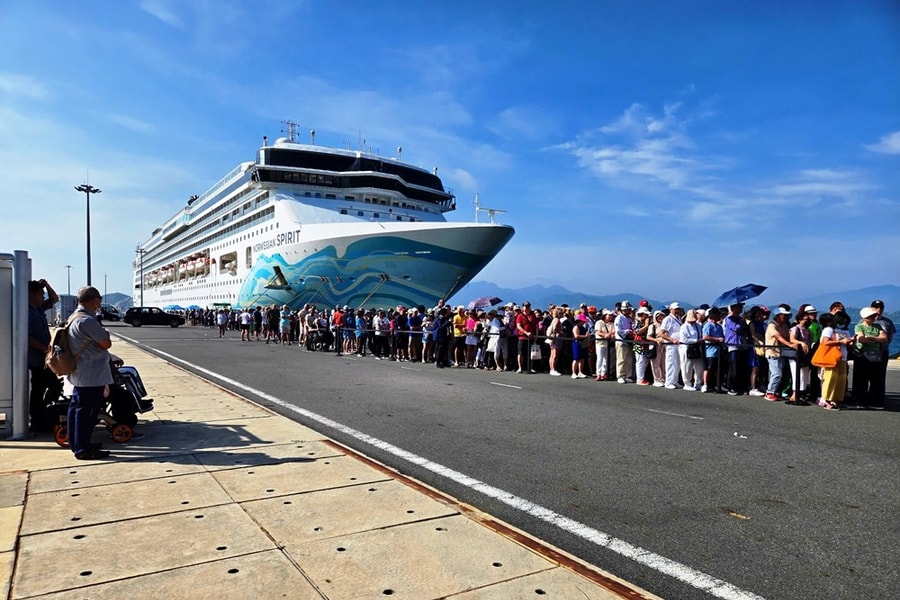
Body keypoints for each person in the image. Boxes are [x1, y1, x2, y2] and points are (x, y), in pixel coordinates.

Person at [66, 286, 113, 460]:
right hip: (91, 373)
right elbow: (106, 343)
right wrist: (105, 335)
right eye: (99, 299)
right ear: (94, 300)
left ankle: (77, 443)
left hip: (81, 372)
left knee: (76, 409)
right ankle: (82, 449)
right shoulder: (87, 321)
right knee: (86, 412)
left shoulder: (74, 317)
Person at [27, 279, 61, 432]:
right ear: (31, 295)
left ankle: (42, 417)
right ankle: (41, 418)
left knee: (42, 389)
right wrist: (46, 349)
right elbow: (28, 338)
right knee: (44, 388)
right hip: (36, 359)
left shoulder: (38, 309)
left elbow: (54, 299)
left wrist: (46, 285)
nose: (43, 297)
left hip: (44, 359)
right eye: (41, 294)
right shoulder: (28, 313)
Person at [852, 306, 887, 408]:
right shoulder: (859, 326)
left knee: (876, 380)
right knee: (861, 379)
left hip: (876, 355)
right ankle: (860, 401)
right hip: (863, 355)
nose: (873, 318)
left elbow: (884, 338)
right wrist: (876, 339)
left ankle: (875, 401)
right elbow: (861, 339)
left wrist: (871, 338)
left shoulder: (878, 326)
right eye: (871, 316)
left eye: (874, 316)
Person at [818, 312, 853, 410]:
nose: (843, 324)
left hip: (843, 357)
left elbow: (847, 344)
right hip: (832, 357)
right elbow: (825, 342)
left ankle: (836, 399)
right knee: (830, 378)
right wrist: (840, 341)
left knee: (841, 380)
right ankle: (827, 399)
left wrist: (851, 341)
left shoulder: (845, 331)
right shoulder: (829, 330)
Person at [764, 306, 800, 401]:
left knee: (779, 373)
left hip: (781, 352)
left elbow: (787, 336)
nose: (785, 317)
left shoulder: (784, 326)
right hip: (772, 352)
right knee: (776, 373)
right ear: (778, 316)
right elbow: (778, 336)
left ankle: (775, 391)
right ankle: (769, 392)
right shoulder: (772, 325)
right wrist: (790, 345)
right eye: (784, 315)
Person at [869, 299, 895, 407]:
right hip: (868, 353)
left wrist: (884, 345)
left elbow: (890, 337)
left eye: (881, 307)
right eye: (876, 307)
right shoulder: (866, 321)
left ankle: (878, 399)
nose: (878, 309)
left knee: (880, 376)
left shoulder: (888, 322)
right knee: (868, 375)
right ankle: (867, 397)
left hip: (882, 352)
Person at [723, 302, 752, 396]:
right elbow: (736, 328)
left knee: (741, 367)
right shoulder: (729, 319)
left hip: (742, 344)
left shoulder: (739, 319)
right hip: (733, 344)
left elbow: (745, 330)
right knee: (733, 367)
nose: (740, 309)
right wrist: (742, 320)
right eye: (738, 307)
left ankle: (740, 386)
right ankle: (731, 386)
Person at [659, 303, 685, 389]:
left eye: (678, 309)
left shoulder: (679, 318)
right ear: (671, 309)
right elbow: (661, 333)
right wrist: (672, 340)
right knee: (670, 363)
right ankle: (669, 382)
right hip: (671, 345)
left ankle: (675, 381)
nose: (677, 311)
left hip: (678, 344)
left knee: (677, 363)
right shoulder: (667, 319)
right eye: (675, 309)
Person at [679, 309, 704, 391]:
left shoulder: (698, 326)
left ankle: (698, 383)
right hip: (686, 347)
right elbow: (684, 339)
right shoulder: (684, 326)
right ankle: (687, 383)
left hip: (697, 347)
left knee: (699, 366)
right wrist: (696, 340)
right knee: (687, 366)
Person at [702, 308, 725, 393]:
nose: (719, 316)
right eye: (718, 315)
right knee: (709, 368)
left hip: (719, 351)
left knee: (718, 369)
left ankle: (716, 385)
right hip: (710, 351)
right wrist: (717, 339)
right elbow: (705, 337)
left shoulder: (719, 326)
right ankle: (705, 384)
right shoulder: (708, 325)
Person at [614, 301, 635, 383]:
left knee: (627, 360)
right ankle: (620, 375)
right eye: (629, 309)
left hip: (628, 341)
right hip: (621, 341)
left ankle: (626, 375)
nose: (630, 311)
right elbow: (618, 330)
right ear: (624, 310)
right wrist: (627, 331)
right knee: (621, 359)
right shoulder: (619, 318)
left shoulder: (629, 318)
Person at [515, 301, 539, 373]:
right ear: (523, 307)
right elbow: (518, 326)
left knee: (531, 353)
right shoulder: (520, 316)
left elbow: (536, 326)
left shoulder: (532, 315)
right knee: (520, 353)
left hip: (531, 337)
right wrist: (526, 332)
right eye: (525, 307)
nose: (527, 308)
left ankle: (530, 367)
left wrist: (536, 336)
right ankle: (520, 367)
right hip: (522, 337)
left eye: (528, 307)